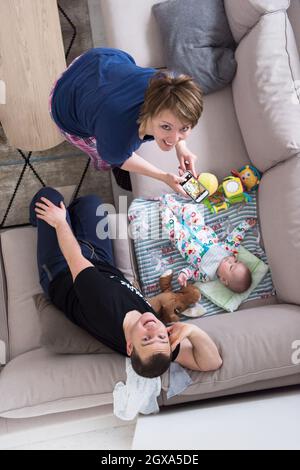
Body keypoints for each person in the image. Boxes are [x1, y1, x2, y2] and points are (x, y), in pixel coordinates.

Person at [30, 187, 222, 378]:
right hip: (102, 264)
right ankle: (71, 214)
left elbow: (73, 256)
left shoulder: (103, 303)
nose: (154, 328)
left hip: (63, 269)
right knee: (92, 203)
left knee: (49, 199)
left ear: (129, 346)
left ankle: (39, 219)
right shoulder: (154, 350)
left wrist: (60, 222)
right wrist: (192, 331)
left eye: (146, 338)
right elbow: (212, 362)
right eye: (162, 337)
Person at [49, 47, 203, 192]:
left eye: (184, 128)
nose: (174, 138)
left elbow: (177, 118)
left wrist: (181, 147)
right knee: (106, 156)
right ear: (149, 111)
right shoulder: (119, 136)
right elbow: (118, 158)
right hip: (64, 101)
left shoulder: (164, 84)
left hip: (100, 59)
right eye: (166, 127)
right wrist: (163, 177)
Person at [161, 194, 257, 293]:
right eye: (236, 261)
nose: (231, 261)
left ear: (224, 280)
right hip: (198, 226)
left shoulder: (206, 275)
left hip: (180, 238)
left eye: (231, 267)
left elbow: (192, 271)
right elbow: (235, 237)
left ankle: (164, 205)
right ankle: (172, 203)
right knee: (191, 210)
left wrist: (184, 275)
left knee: (168, 225)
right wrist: (245, 226)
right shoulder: (229, 250)